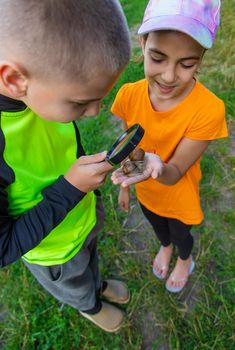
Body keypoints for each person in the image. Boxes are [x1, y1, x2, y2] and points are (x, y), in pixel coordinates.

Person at [0, 0, 132, 332]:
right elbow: (3, 248)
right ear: (14, 79)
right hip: (54, 253)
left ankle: (96, 285)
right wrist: (70, 189)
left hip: (84, 215)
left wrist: (84, 181)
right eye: (80, 102)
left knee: (91, 260)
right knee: (74, 282)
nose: (95, 112)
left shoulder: (39, 88)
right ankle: (89, 304)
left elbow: (62, 142)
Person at [111, 0, 228, 293]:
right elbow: (132, 148)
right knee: (157, 226)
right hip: (146, 191)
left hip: (178, 195)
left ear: (200, 58)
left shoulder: (209, 109)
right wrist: (126, 185)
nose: (168, 76)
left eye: (187, 64)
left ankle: (184, 259)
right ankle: (164, 247)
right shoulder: (128, 95)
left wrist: (157, 166)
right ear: (142, 42)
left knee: (180, 234)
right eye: (158, 57)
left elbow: (175, 171)